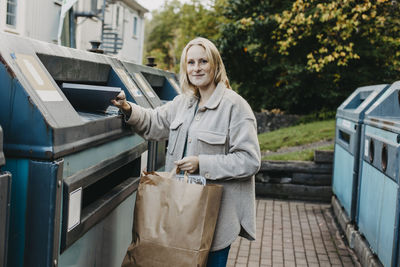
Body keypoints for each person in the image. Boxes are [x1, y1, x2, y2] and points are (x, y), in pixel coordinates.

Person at [112, 37, 261, 267]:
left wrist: (202, 163)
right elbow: (153, 122)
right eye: (191, 63)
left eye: (203, 61)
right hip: (180, 212)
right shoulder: (183, 103)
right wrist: (127, 107)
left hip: (215, 219)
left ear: (215, 65)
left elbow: (250, 160)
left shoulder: (236, 107)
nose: (197, 68)